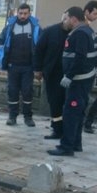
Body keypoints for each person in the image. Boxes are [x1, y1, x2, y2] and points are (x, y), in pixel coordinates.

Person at [47, 7, 97, 156]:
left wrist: (69, 75)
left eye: (66, 18)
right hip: (84, 80)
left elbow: (80, 57)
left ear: (74, 19)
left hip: (78, 81)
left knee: (70, 114)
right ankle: (76, 144)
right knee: (78, 113)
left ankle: (66, 147)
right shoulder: (88, 31)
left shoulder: (80, 33)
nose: (65, 21)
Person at [0, 3, 41, 127]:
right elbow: (0, 42)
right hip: (13, 66)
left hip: (28, 67)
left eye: (25, 13)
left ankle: (28, 117)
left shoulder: (35, 27)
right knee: (12, 91)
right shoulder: (10, 26)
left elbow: (40, 47)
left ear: (29, 13)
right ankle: (12, 117)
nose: (22, 16)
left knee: (27, 92)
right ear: (17, 13)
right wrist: (2, 61)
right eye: (20, 13)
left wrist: (38, 67)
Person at [34, 11, 70, 140]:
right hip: (52, 73)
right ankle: (56, 128)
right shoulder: (50, 31)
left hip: (69, 74)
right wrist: (38, 69)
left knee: (68, 103)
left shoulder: (76, 33)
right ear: (64, 19)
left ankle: (67, 130)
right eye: (67, 19)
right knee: (54, 102)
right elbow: (39, 50)